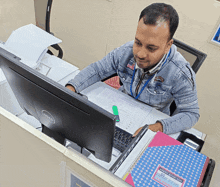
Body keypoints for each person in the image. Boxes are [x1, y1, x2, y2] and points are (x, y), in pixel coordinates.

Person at [66, 3, 199, 135]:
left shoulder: (181, 73)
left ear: (167, 45)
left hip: (152, 121)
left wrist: (158, 127)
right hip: (119, 110)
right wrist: (70, 89)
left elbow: (191, 114)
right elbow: (97, 69)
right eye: (138, 42)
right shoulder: (126, 52)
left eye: (151, 48)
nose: (140, 54)